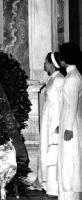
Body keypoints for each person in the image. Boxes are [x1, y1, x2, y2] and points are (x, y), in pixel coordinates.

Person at [30, 52, 65, 197]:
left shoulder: (60, 80)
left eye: (46, 62)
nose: (44, 64)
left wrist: (59, 123)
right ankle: (43, 182)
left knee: (53, 151)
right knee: (44, 148)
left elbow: (64, 103)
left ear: (52, 64)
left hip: (55, 120)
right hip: (47, 118)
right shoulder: (51, 79)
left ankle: (53, 186)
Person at [57, 42, 82, 200]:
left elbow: (73, 104)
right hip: (68, 122)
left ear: (65, 58)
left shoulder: (73, 77)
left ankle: (70, 195)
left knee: (70, 161)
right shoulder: (71, 75)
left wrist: (69, 128)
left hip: (71, 125)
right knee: (65, 160)